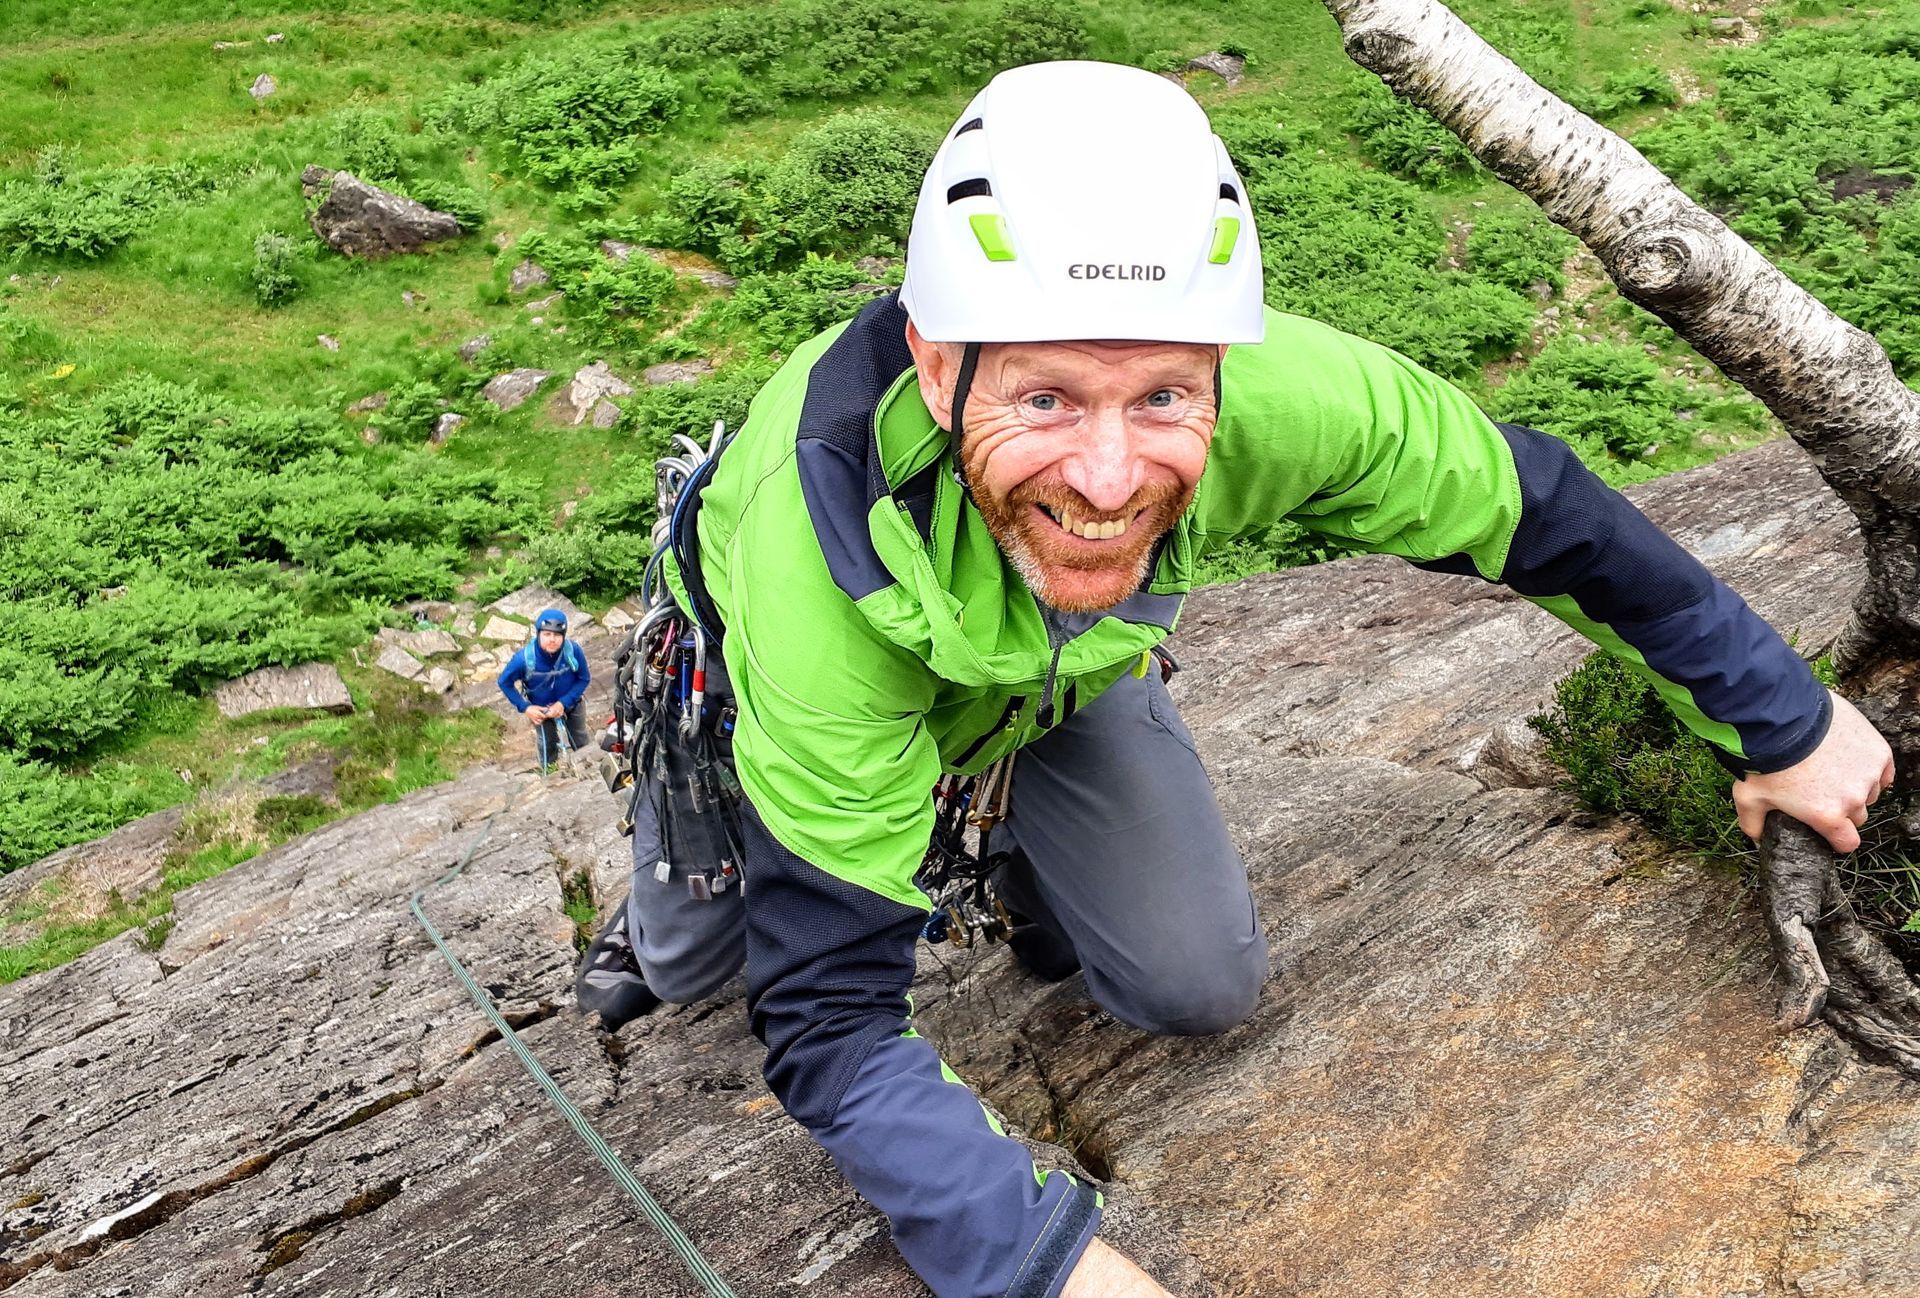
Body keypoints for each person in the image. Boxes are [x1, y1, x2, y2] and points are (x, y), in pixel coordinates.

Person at [616, 61, 1896, 1298]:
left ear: (1224, 367)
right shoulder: (815, 565)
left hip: (1058, 666)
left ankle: (1011, 852)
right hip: (799, 669)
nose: (1112, 478)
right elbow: (831, 1021)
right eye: (1048, 395)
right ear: (940, 365)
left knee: (1194, 982)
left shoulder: (1282, 393)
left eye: (1166, 395)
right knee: (693, 971)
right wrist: (1041, 1263)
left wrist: (1780, 720)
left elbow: (1541, 509)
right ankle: (665, 899)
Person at [496, 608, 591, 772]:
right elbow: (504, 682)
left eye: (557, 635)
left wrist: (563, 703)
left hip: (572, 703)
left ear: (563, 636)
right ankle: (549, 774)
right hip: (541, 710)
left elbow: (584, 678)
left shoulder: (573, 651)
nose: (552, 640)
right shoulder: (523, 660)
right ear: (539, 634)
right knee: (547, 744)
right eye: (547, 634)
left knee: (580, 739)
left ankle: (588, 770)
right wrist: (525, 707)